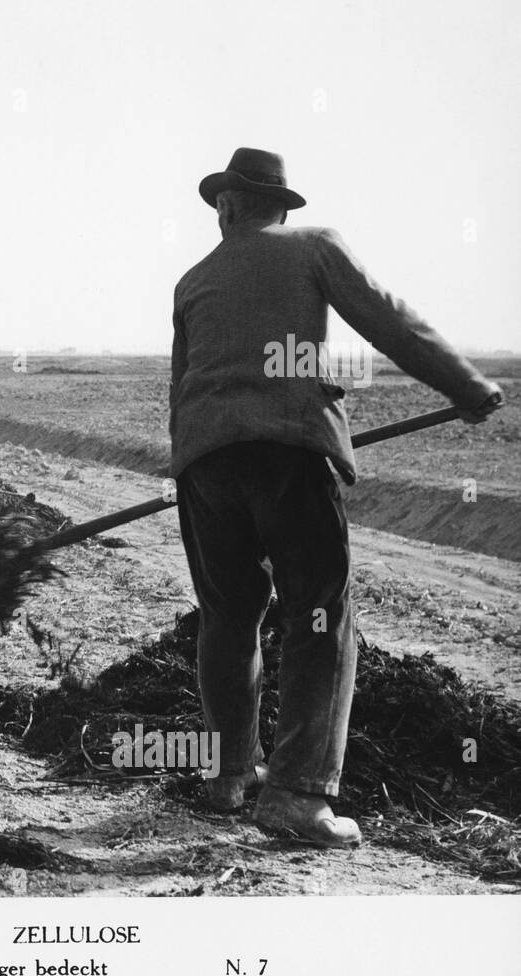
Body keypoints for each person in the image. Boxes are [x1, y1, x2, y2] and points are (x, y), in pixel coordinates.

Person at [170, 148, 504, 847]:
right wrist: (465, 385)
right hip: (291, 453)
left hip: (205, 463)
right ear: (280, 206)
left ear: (229, 206)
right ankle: (295, 793)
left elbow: (180, 392)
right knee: (320, 616)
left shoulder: (191, 280)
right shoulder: (314, 246)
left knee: (226, 617)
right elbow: (390, 321)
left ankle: (230, 775)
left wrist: (194, 476)